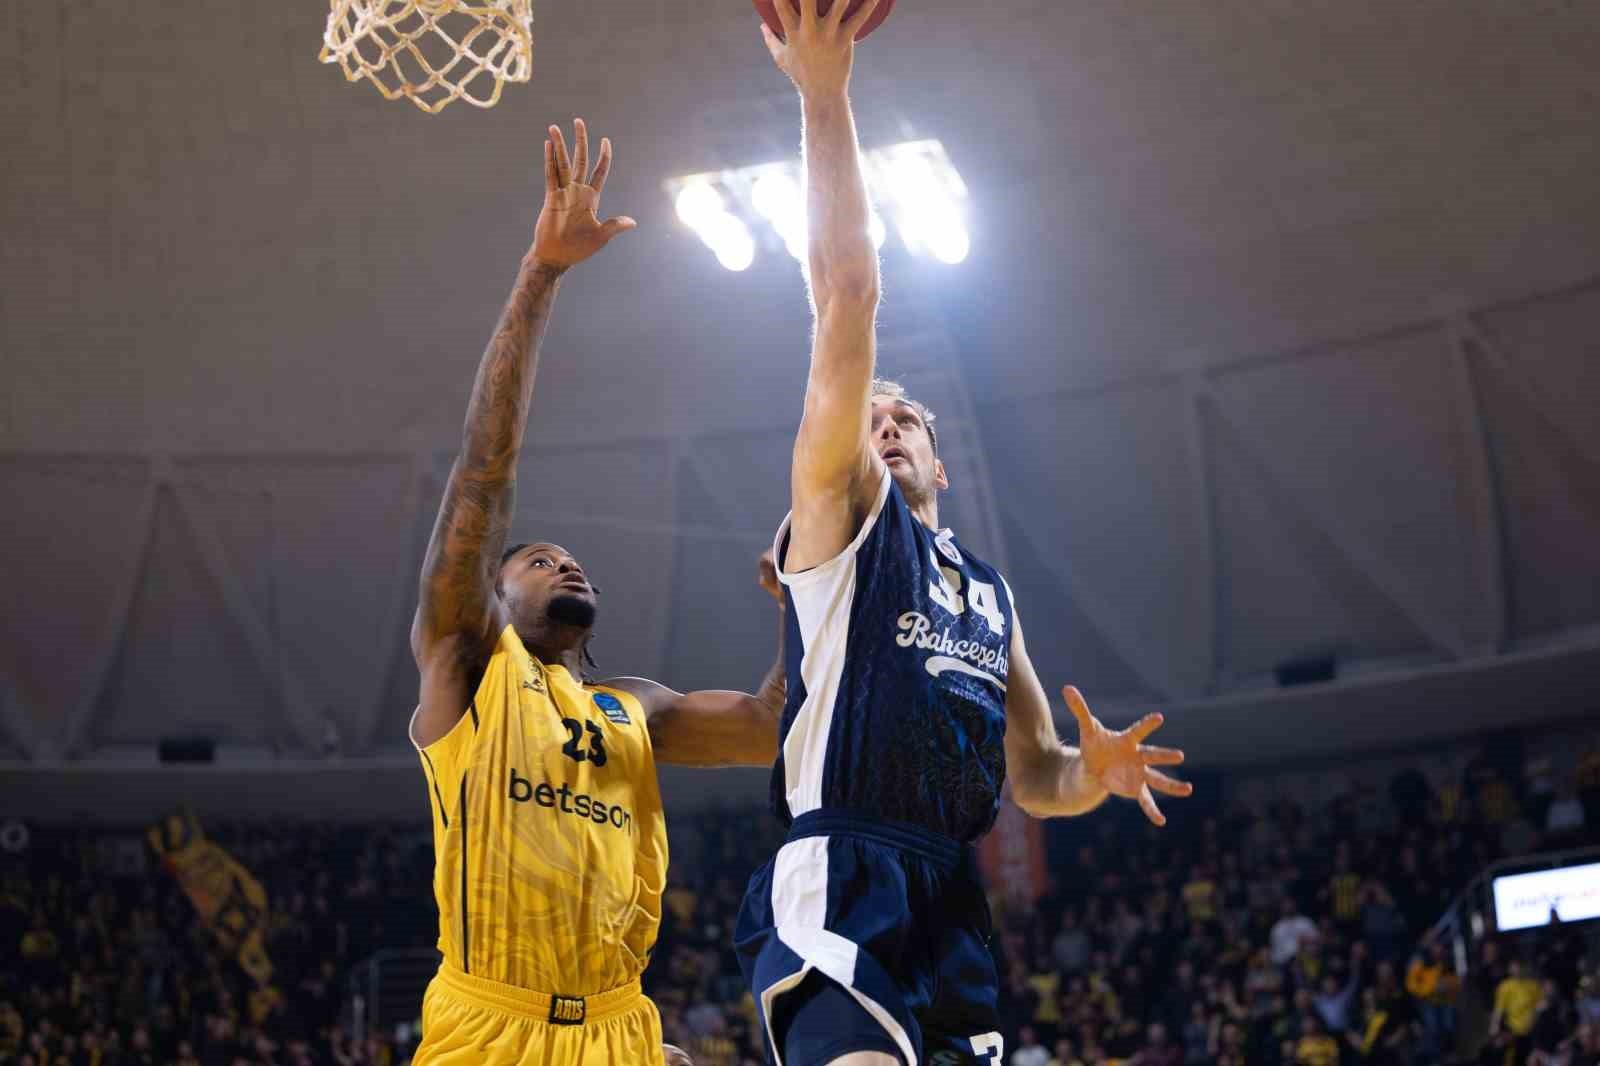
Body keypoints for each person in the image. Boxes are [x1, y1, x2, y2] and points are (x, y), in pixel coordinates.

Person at [733, 2, 1192, 1063]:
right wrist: (823, 92)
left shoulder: (988, 591)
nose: (884, 424)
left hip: (949, 900)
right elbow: (845, 297)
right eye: (872, 417)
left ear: (944, 463)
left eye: (908, 421)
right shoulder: (844, 516)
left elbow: (1034, 771)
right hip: (843, 871)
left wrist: (1096, 774)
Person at [408, 119, 787, 1066]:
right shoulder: (468, 661)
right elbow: (483, 476)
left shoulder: (636, 706)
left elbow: (775, 729)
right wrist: (541, 277)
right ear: (492, 588)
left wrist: (809, 595)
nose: (565, 565)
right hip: (489, 1023)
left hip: (622, 1028)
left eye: (575, 560)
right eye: (538, 560)